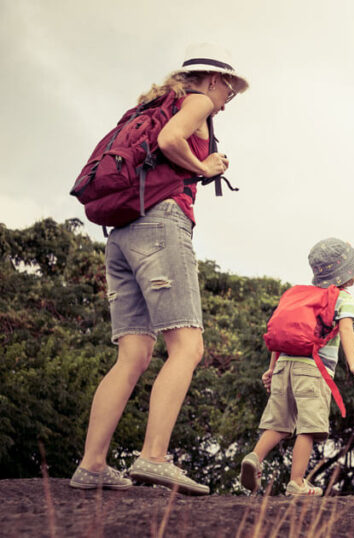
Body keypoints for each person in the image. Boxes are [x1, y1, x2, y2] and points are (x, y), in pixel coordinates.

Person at [69, 43, 249, 495]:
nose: (229, 98)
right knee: (187, 345)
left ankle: (91, 465)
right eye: (230, 87)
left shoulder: (146, 106)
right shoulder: (198, 102)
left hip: (122, 230)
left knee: (133, 354)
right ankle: (153, 457)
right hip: (160, 223)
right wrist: (204, 166)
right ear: (212, 79)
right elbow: (171, 141)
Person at [240, 238, 354, 496]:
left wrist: (271, 369)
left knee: (278, 423)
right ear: (348, 274)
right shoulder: (342, 298)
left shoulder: (298, 295)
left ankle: (254, 457)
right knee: (309, 426)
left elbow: (280, 334)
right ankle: (297, 482)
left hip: (284, 365)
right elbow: (346, 329)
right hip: (313, 370)